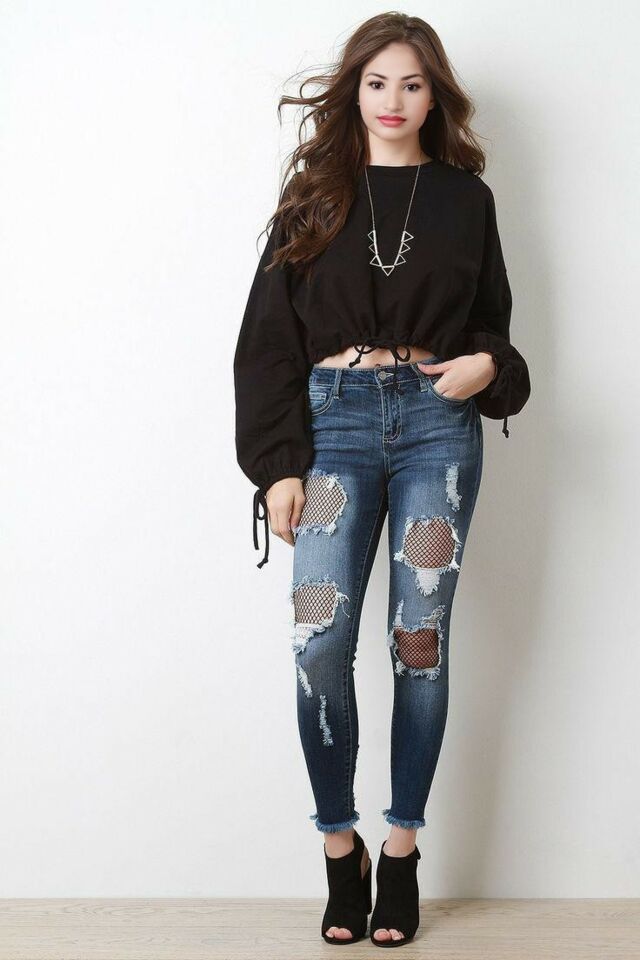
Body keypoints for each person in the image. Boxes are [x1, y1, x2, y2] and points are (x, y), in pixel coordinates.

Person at [233, 12, 531, 948]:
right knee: (319, 637)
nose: (393, 100)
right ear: (353, 91)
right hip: (333, 427)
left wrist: (486, 365)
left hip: (437, 427)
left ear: (434, 95)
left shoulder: (466, 200)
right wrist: (278, 468)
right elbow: (267, 342)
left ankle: (400, 848)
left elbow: (493, 326)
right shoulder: (313, 197)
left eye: (411, 83)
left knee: (419, 641)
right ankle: (340, 846)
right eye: (376, 83)